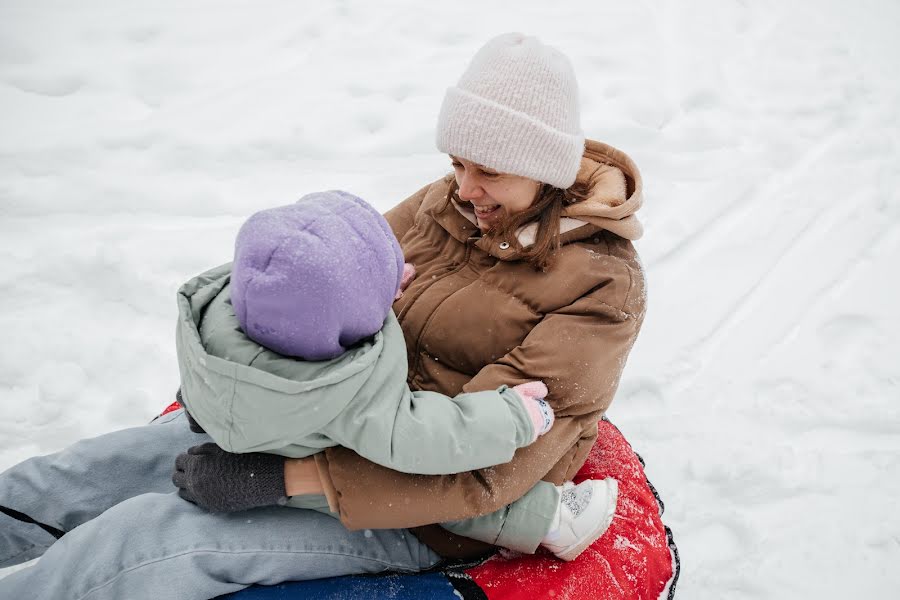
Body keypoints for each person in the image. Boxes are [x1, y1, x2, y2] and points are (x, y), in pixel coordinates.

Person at [0, 32, 646, 599]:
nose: (465, 187)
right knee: (86, 472)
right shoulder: (445, 204)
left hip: (432, 509)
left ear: (545, 170)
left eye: (491, 172)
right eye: (457, 163)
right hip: (330, 419)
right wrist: (241, 384)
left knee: (153, 538)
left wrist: (284, 480)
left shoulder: (598, 290)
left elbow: (483, 464)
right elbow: (330, 294)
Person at [171, 189, 616, 561]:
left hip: (251, 423)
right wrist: (512, 417)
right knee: (426, 490)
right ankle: (553, 520)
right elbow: (426, 437)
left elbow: (310, 292)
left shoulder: (214, 317)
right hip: (319, 464)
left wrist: (370, 291)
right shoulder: (347, 395)